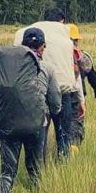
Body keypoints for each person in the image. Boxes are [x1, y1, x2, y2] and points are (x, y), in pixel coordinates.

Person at [0, 26, 61, 193]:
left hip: (8, 123)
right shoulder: (46, 68)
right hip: (36, 124)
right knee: (35, 167)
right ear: (42, 47)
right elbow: (55, 100)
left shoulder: (8, 66)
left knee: (8, 170)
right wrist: (54, 112)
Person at [14, 11, 80, 159]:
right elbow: (75, 70)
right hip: (62, 91)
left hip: (33, 92)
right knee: (63, 133)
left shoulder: (26, 32)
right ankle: (63, 159)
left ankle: (39, 163)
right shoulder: (65, 39)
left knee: (40, 134)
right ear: (62, 20)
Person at [68, 23, 96, 147]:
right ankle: (73, 148)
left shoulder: (55, 56)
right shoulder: (82, 57)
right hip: (77, 95)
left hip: (59, 94)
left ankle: (62, 149)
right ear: (76, 40)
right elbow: (93, 78)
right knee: (77, 122)